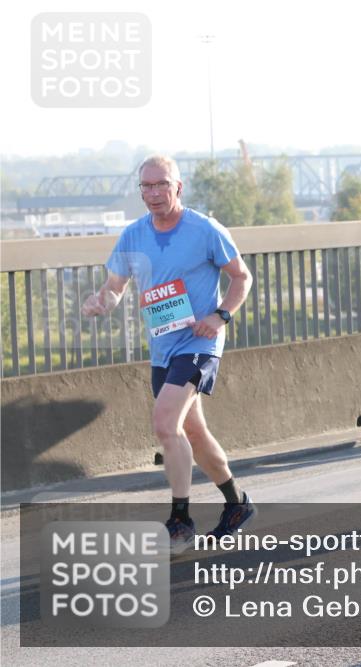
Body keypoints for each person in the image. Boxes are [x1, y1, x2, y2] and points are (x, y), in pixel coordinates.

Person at [81, 155, 256, 554]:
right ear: (140, 191)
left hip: (199, 344)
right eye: (146, 186)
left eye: (162, 185)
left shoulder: (204, 229)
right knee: (191, 431)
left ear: (179, 187)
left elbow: (240, 276)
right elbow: (114, 287)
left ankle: (180, 520)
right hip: (163, 348)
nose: (154, 193)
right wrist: (100, 301)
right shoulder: (133, 235)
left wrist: (220, 315)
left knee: (164, 423)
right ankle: (237, 504)